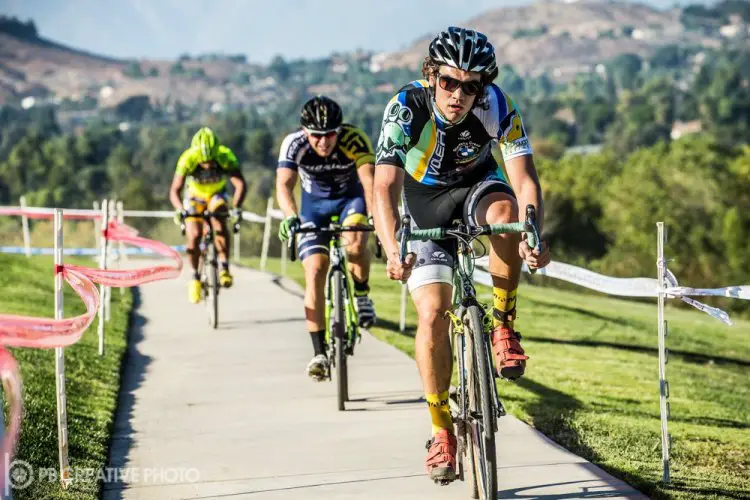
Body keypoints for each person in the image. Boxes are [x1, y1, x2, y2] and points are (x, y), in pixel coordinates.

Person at [372, 27, 551, 484]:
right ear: (431, 76)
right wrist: (393, 249)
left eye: (470, 86)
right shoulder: (406, 107)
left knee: (507, 210)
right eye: (448, 82)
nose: (458, 94)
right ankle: (441, 432)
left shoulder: (498, 105)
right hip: (423, 200)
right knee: (433, 314)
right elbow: (384, 186)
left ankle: (504, 325)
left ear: (483, 86)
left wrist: (533, 232)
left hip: (477, 187)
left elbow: (526, 178)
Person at [276, 96, 377, 380]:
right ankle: (319, 352)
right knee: (315, 270)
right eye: (317, 136)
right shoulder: (294, 144)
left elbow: (369, 181)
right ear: (305, 132)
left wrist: (376, 218)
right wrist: (290, 216)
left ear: (339, 129)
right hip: (313, 209)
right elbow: (284, 184)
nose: (323, 142)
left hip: (350, 201)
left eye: (330, 134)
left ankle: (361, 293)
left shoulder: (354, 139)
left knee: (356, 242)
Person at [169, 127, 247, 304]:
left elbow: (240, 184)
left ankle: (224, 267)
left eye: (211, 161)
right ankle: (195, 277)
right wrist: (180, 209)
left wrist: (236, 207)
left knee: (219, 220)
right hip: (194, 196)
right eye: (204, 162)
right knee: (195, 235)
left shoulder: (225, 155)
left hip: (216, 194)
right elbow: (175, 189)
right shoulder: (188, 158)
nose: (208, 165)